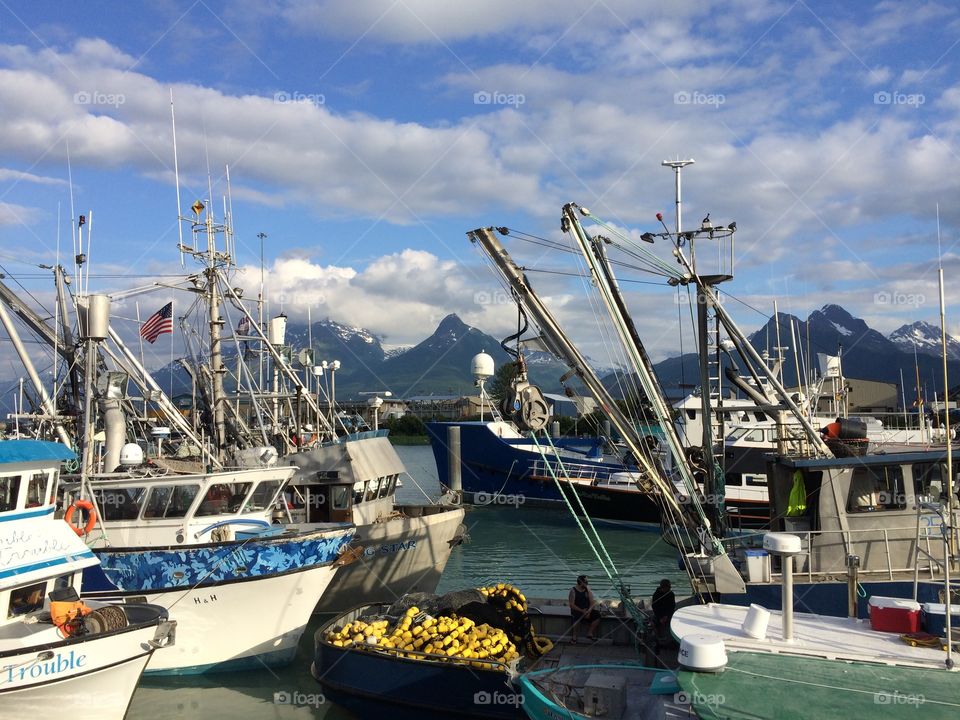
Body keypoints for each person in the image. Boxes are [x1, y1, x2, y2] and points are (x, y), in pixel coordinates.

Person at [568, 575, 600, 643]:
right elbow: (571, 605)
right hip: (577, 610)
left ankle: (590, 633)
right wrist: (582, 611)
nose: (587, 583)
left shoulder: (588, 589)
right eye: (585, 582)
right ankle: (574, 636)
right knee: (576, 618)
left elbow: (592, 602)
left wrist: (589, 611)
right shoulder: (573, 590)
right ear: (581, 582)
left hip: (587, 610)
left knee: (597, 615)